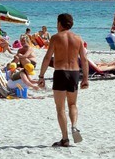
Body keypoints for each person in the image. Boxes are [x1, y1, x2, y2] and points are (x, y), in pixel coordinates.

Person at [36, 13, 87, 147]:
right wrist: (85, 78)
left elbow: (47, 58)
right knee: (73, 104)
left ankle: (65, 138)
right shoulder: (78, 38)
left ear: (60, 23)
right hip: (75, 73)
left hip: (60, 72)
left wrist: (41, 76)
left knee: (60, 108)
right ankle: (74, 126)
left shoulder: (56, 38)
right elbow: (84, 59)